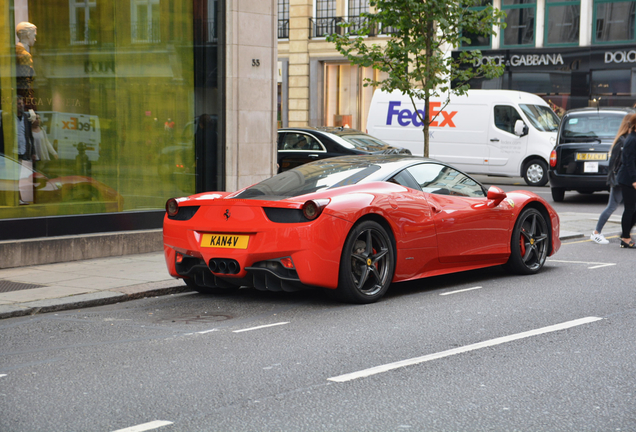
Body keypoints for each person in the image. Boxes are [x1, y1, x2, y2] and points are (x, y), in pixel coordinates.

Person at [590, 113, 635, 244]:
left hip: (624, 179)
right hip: (620, 179)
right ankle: (596, 232)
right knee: (612, 206)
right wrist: (614, 180)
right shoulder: (622, 140)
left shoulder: (628, 139)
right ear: (629, 126)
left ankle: (625, 233)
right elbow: (614, 164)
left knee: (629, 207)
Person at [616, 114, 636, 248]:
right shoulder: (632, 139)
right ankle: (625, 237)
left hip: (632, 178)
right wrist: (634, 180)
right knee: (629, 209)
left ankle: (626, 231)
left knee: (633, 209)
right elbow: (628, 161)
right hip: (628, 179)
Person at [15, 22, 37, 109]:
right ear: (28, 35)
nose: (35, 39)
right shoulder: (24, 55)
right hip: (23, 102)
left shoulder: (14, 52)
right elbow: (25, 84)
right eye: (34, 35)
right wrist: (31, 107)